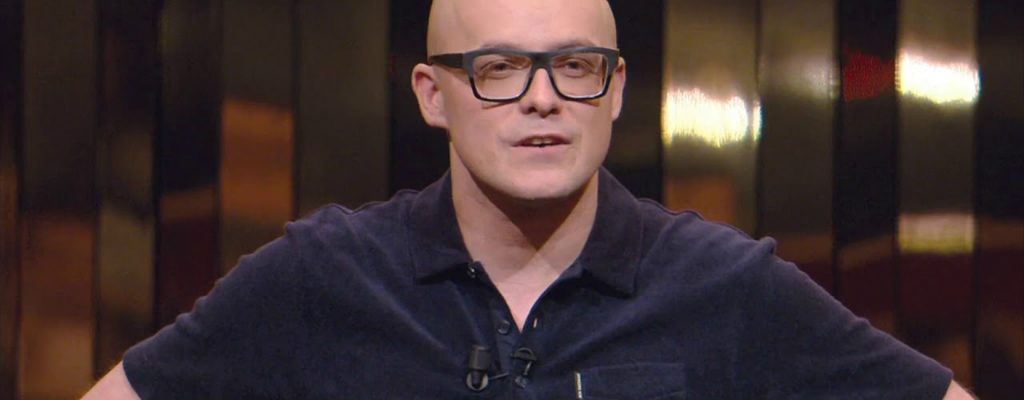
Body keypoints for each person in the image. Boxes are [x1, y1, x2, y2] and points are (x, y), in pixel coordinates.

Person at [84, 0, 976, 398]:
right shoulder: (322, 276)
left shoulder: (727, 286)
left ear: (615, 90)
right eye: (500, 68)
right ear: (433, 95)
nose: (542, 99)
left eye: (575, 67)